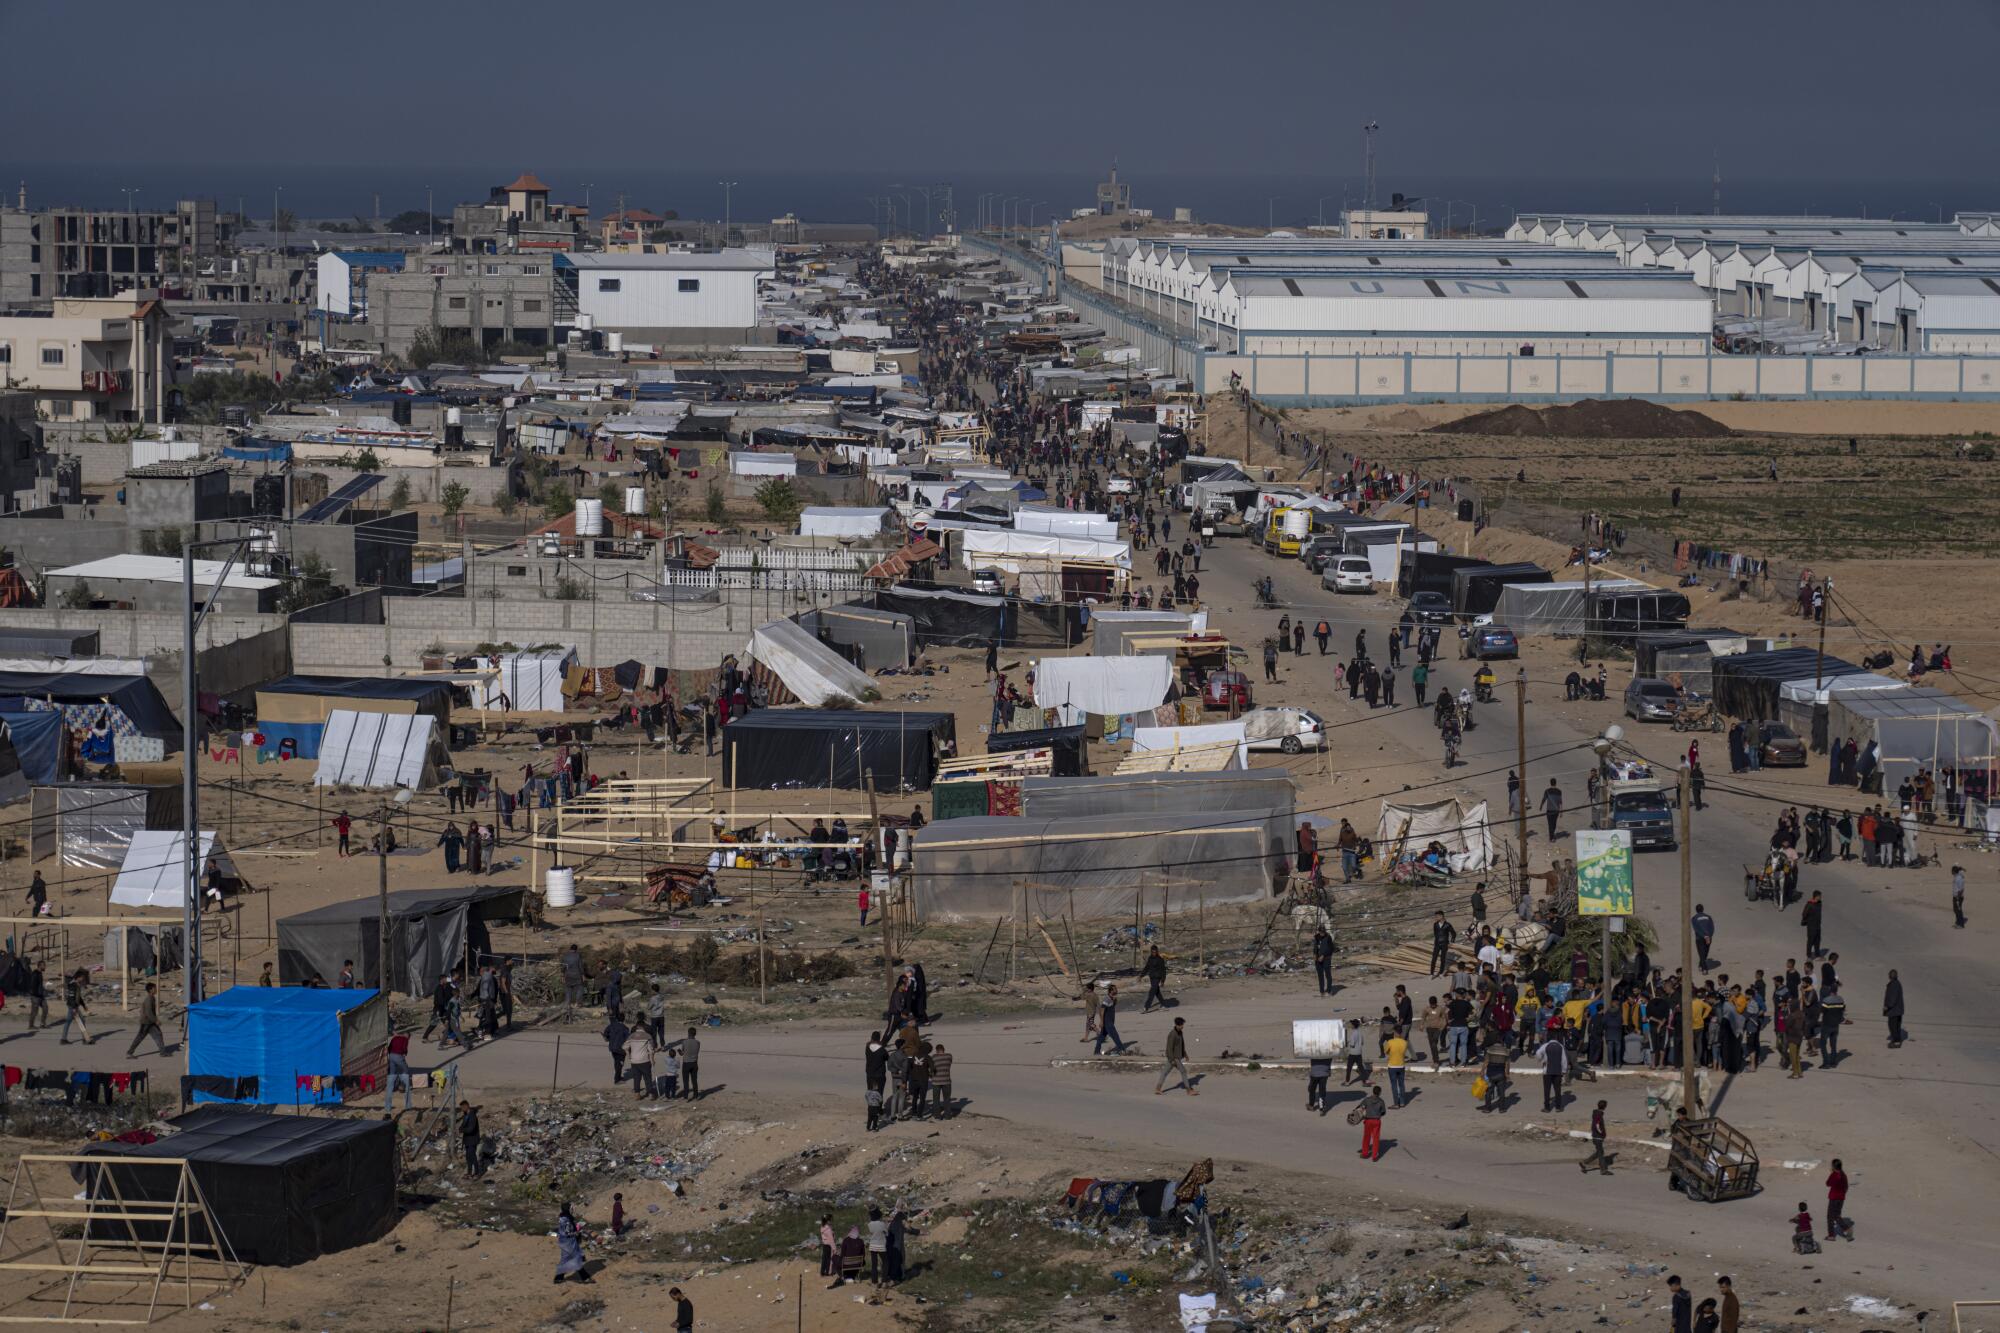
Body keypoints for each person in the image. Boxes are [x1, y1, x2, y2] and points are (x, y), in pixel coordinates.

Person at [125, 982, 169, 1057]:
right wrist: (156, 1021)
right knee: (140, 1037)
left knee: (158, 1035)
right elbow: (149, 1012)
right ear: (151, 989)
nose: (156, 989)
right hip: (146, 1022)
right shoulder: (149, 999)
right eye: (155, 988)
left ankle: (163, 1052)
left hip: (150, 1022)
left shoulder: (152, 998)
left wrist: (154, 1020)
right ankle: (129, 1052)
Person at [1156, 1016, 1195, 1094]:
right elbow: (1169, 1048)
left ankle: (1158, 1089)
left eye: (1183, 1025)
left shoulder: (1180, 1033)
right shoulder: (1172, 1034)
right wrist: (1172, 1060)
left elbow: (1181, 1045)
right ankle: (1188, 1090)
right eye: (1181, 1025)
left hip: (1176, 1057)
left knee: (1165, 1072)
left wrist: (1185, 1054)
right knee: (1183, 1071)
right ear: (1177, 1025)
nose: (1183, 1026)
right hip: (1174, 1058)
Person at [554, 1202, 591, 1284]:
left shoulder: (563, 1217)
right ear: (568, 1209)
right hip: (569, 1242)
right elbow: (567, 1232)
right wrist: (577, 1232)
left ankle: (558, 1278)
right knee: (576, 1259)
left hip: (564, 1241)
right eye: (571, 1208)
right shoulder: (567, 1219)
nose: (573, 1209)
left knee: (565, 1259)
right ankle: (585, 1278)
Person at [1537, 1029, 1567, 1111]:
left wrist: (1541, 1060)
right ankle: (1558, 1107)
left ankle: (1547, 1107)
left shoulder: (1545, 1046)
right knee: (1558, 1090)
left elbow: (1538, 1053)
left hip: (1547, 1071)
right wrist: (1564, 1071)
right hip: (1558, 1071)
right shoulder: (1561, 1046)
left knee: (1547, 1090)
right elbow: (1564, 1060)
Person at [59, 968, 91, 1045]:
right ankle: (85, 1039)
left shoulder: (77, 985)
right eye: (82, 977)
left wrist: (84, 1006)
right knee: (81, 1020)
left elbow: (78, 997)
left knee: (69, 1022)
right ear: (78, 977)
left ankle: (63, 1039)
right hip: (72, 1006)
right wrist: (73, 1008)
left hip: (74, 1006)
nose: (83, 979)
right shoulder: (73, 985)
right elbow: (71, 997)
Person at [385, 1026, 413, 1112]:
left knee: (392, 1074)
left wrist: (391, 1056)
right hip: (398, 1056)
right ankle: (402, 1086)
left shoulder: (395, 1038)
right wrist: (404, 1053)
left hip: (391, 1056)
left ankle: (388, 1106)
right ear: (407, 1036)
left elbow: (389, 1048)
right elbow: (404, 1048)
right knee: (406, 1071)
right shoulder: (405, 1039)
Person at [1356, 1084, 1387, 1161]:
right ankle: (1374, 1156)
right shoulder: (1381, 1101)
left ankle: (1364, 1154)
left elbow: (1360, 1107)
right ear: (1379, 1093)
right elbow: (1383, 1112)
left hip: (1368, 1121)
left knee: (1366, 1137)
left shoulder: (1367, 1100)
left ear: (1373, 1091)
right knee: (1376, 1138)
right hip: (1376, 1121)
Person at [625, 1021, 656, 1098]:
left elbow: (624, 1047)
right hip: (644, 1060)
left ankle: (637, 1094)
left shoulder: (631, 1036)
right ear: (643, 1027)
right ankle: (650, 1094)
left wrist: (629, 1055)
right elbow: (651, 1050)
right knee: (647, 1078)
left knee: (636, 1078)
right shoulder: (648, 1036)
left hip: (634, 1061)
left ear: (637, 1027)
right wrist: (652, 1060)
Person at [1580, 1098, 1611, 1174]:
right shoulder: (1599, 1115)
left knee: (1599, 1152)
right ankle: (1603, 1170)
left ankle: (1585, 1163)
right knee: (1600, 1153)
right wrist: (1601, 1133)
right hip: (1598, 1137)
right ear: (1605, 1107)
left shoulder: (1596, 1113)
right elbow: (1597, 1125)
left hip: (1595, 1136)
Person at [1094, 984, 1125, 1055]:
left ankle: (1096, 1051)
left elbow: (1112, 1006)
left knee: (1102, 1036)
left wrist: (1115, 1000)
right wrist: (1101, 1021)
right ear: (1111, 991)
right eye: (1115, 989)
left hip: (1109, 1021)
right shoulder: (1106, 999)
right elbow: (1101, 1010)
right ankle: (1122, 1049)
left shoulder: (1112, 998)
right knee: (1115, 1035)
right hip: (1107, 1022)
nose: (1116, 990)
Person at [1383, 1025, 1409, 1107]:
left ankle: (1396, 1103)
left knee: (1394, 1085)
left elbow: (1386, 1051)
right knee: (1401, 1084)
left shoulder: (1390, 1042)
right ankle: (1402, 1102)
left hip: (1392, 1066)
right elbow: (1403, 1053)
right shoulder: (1404, 1042)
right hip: (1401, 1065)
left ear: (1394, 1032)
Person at [1826, 1159, 1850, 1240]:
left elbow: (1828, 1183)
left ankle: (1831, 1235)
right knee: (1837, 1215)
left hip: (1834, 1198)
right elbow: (1846, 1187)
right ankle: (1846, 1229)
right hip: (1841, 1198)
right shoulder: (1843, 1175)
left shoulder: (1834, 1175)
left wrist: (1831, 1174)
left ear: (1833, 1167)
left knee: (1830, 1216)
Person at [458, 1100, 483, 1177]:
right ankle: (469, 1172)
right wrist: (461, 1129)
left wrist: (462, 1130)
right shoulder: (466, 1115)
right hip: (467, 1140)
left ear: (466, 1106)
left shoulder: (472, 1116)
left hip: (472, 1140)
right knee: (468, 1157)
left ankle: (477, 1172)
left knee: (472, 1156)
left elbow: (471, 1129)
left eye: (462, 1107)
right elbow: (462, 1126)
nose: (462, 1109)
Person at [1142, 945, 1168, 1012]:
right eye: (1153, 952)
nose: (1154, 953)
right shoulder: (1150, 958)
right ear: (1151, 952)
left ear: (1157, 952)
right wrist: (1141, 975)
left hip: (1157, 977)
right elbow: (1147, 967)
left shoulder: (1160, 960)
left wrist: (1162, 981)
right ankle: (1164, 1005)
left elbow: (1163, 971)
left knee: (1152, 992)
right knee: (1157, 992)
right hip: (1152, 977)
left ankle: (1146, 1007)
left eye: (1155, 952)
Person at [1882, 969, 1905, 1047]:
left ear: (1889, 976)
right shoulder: (1897, 983)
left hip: (1894, 1010)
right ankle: (1897, 1040)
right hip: (1898, 1010)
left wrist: (1887, 1006)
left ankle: (1896, 1041)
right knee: (1897, 1025)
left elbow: (1892, 998)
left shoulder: (1894, 984)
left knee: (1893, 1025)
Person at [931, 1041, 954, 1117]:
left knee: (936, 1099)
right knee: (947, 1099)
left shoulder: (934, 1057)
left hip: (936, 1081)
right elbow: (950, 1062)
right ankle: (947, 1115)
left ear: (936, 1050)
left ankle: (937, 1115)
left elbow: (931, 1068)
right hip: (946, 1080)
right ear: (943, 1049)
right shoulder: (949, 1056)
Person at [1429, 911, 1456, 977]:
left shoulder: (1447, 925)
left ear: (1441, 916)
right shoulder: (1435, 924)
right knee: (1434, 958)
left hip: (1444, 944)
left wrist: (1451, 942)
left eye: (1437, 916)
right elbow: (1435, 934)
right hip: (1437, 944)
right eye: (1435, 916)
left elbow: (1453, 933)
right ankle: (1431, 973)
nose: (1436, 917)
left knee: (1442, 959)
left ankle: (1441, 973)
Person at [679, 1027, 702, 1100]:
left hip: (686, 1063)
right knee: (694, 1080)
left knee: (686, 1081)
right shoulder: (698, 1042)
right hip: (694, 1063)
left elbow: (682, 1053)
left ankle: (686, 1096)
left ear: (688, 1033)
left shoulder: (684, 1042)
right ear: (695, 1034)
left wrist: (679, 1051)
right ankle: (696, 1095)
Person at [1691, 904, 1715, 972]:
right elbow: (1712, 927)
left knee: (1701, 953)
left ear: (1696, 910)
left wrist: (1704, 936)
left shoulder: (1694, 918)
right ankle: (1701, 965)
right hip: (1709, 937)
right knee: (1705, 952)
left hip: (1699, 938)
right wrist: (1709, 936)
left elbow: (1696, 929)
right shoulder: (1708, 917)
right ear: (1703, 909)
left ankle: (1704, 968)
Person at [1312, 926, 1335, 995]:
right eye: (1321, 932)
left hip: (1326, 958)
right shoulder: (1316, 937)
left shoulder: (1328, 937)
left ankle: (1329, 990)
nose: (1322, 933)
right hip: (1318, 959)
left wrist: (1323, 955)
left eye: (1323, 932)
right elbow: (1315, 947)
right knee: (1320, 976)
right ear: (1319, 931)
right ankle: (1322, 991)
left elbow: (1331, 949)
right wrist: (1315, 954)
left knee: (1328, 975)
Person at [1801, 890, 1824, 959]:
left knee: (1817, 940)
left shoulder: (1819, 903)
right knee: (1810, 941)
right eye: (1819, 896)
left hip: (1817, 925)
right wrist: (1809, 921)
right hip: (1811, 926)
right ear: (1816, 897)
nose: (1821, 897)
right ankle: (1809, 956)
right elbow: (1804, 914)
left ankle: (1817, 955)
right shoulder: (1810, 904)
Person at [1952, 864, 1967, 928]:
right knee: (1955, 910)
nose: (1951, 872)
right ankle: (1957, 922)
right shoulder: (1957, 875)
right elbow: (1962, 869)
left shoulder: (1959, 878)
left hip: (1959, 897)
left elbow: (1960, 890)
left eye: (1952, 871)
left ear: (1954, 871)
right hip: (1955, 896)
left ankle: (1961, 924)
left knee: (1958, 910)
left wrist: (1958, 899)